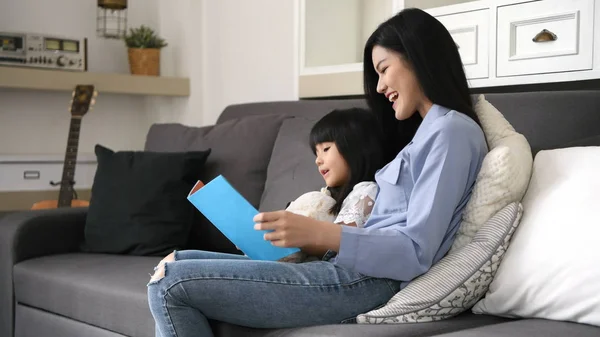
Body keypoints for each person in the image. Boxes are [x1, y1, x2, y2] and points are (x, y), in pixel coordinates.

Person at [147, 8, 488, 337]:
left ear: (418, 57)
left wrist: (318, 234)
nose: (381, 87)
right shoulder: (424, 135)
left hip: (367, 280)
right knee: (177, 260)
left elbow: (416, 251)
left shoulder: (452, 132)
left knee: (170, 284)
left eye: (384, 69)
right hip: (348, 269)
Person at [279, 108, 384, 263]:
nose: (318, 160)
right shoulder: (332, 199)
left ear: (355, 147)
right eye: (316, 153)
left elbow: (341, 242)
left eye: (326, 149)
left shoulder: (368, 191)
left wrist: (297, 235)